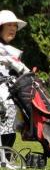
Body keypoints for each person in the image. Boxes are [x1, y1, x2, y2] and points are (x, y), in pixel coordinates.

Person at [0, 10, 30, 149]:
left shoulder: (9, 50)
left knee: (10, 128)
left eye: (15, 26)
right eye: (9, 25)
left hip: (10, 95)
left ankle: (5, 158)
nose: (13, 28)